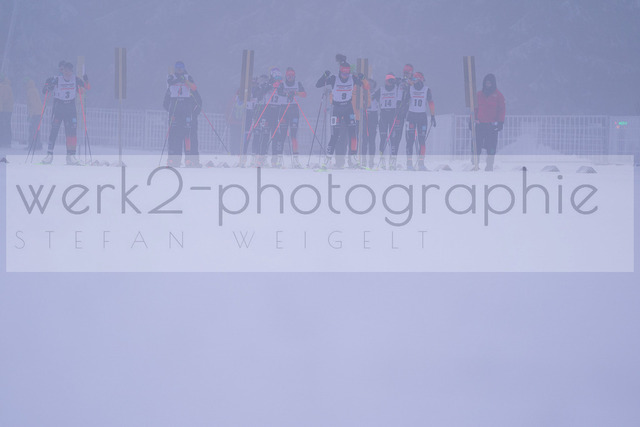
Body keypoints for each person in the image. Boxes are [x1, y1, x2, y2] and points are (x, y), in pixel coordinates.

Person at [316, 55, 364, 168]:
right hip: (336, 109)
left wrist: (361, 77)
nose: (345, 76)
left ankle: (354, 160)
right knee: (335, 135)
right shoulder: (334, 79)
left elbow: (363, 84)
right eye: (343, 74)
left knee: (353, 134)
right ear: (340, 72)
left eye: (347, 74)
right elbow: (318, 85)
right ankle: (327, 160)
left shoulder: (352, 78)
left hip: (348, 108)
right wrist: (324, 76)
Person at [41, 62, 89, 165]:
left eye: (69, 70)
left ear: (72, 71)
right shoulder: (57, 79)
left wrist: (86, 80)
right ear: (62, 70)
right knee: (54, 131)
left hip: (70, 109)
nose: (67, 73)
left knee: (71, 132)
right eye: (65, 70)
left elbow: (87, 87)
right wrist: (48, 86)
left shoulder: (75, 79)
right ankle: (49, 155)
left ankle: (71, 155)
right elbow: (44, 90)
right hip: (59, 108)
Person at [163, 61, 198, 167]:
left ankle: (188, 159)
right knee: (174, 135)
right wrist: (176, 80)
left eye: (181, 67)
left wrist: (185, 81)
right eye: (177, 67)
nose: (179, 69)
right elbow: (169, 85)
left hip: (185, 109)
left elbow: (194, 88)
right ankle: (174, 159)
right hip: (175, 109)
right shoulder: (171, 77)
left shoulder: (188, 77)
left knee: (187, 134)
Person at [473, 73, 505, 171]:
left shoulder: (499, 96)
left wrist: (501, 122)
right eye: (486, 83)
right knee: (476, 145)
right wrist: (471, 120)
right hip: (480, 124)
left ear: (493, 83)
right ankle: (475, 164)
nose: (488, 85)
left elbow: (502, 110)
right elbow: (474, 109)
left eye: (489, 83)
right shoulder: (478, 95)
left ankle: (489, 165)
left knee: (491, 146)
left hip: (492, 125)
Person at [404, 72, 436, 171]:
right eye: (413, 80)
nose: (414, 82)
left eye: (416, 79)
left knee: (422, 141)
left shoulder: (426, 90)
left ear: (421, 80)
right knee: (410, 140)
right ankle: (409, 164)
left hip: (422, 117)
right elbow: (405, 101)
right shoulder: (410, 88)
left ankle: (421, 164)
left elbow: (431, 102)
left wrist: (433, 116)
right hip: (411, 116)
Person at [280, 67, 307, 168]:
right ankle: (279, 158)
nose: (290, 78)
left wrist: (295, 93)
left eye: (292, 76)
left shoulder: (298, 84)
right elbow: (278, 92)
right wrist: (287, 94)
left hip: (294, 110)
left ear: (294, 76)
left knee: (293, 135)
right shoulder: (282, 84)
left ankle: (295, 160)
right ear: (286, 76)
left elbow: (304, 94)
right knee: (282, 135)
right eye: (288, 76)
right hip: (284, 110)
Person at [377, 73, 400, 169]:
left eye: (392, 81)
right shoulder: (381, 90)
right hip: (383, 116)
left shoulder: (397, 89)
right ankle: (382, 161)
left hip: (392, 116)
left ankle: (392, 162)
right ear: (386, 81)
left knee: (393, 139)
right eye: (389, 80)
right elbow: (372, 98)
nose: (391, 83)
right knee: (383, 138)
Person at [362, 79, 379, 169]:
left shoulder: (376, 93)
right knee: (364, 140)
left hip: (373, 115)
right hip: (364, 115)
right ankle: (363, 160)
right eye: (368, 84)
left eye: (371, 84)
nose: (370, 85)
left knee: (372, 140)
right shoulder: (363, 93)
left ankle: (371, 161)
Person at [25, 78, 43, 150]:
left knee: (32, 129)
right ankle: (37, 144)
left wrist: (30, 115)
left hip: (35, 113)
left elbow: (32, 104)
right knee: (36, 129)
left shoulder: (30, 91)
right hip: (38, 112)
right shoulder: (34, 89)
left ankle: (32, 145)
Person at [0, 75, 14, 147]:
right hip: (7, 109)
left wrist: (2, 104)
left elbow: (4, 98)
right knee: (6, 125)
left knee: (4, 125)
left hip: (5, 109)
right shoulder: (7, 86)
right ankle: (6, 141)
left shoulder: (5, 87)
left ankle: (5, 141)